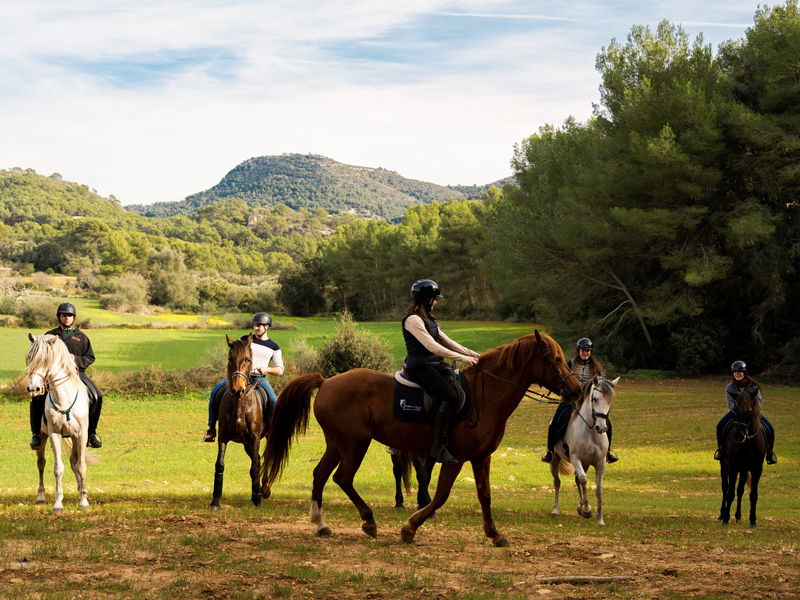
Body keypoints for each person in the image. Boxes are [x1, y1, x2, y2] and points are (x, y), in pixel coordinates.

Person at [402, 279, 480, 464]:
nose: (436, 302)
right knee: (451, 396)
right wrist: (464, 359)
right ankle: (438, 447)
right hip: (419, 366)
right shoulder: (413, 320)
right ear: (427, 299)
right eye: (435, 299)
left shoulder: (430, 321)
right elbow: (433, 347)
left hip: (434, 365)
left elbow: (449, 343)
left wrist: (478, 356)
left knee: (460, 388)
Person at [30, 302, 104, 449]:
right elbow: (42, 355)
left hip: (77, 374)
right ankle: (36, 434)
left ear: (73, 318)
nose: (67, 318)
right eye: (64, 315)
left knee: (97, 396)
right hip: (53, 377)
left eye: (70, 316)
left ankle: (91, 434)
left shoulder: (81, 337)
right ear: (59, 317)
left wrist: (74, 359)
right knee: (37, 398)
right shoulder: (50, 336)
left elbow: (90, 357)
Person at [204, 312, 284, 442]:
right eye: (255, 325)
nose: (256, 328)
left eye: (259, 325)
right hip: (238, 376)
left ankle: (271, 429)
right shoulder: (245, 339)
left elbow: (280, 370)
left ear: (267, 327)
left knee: (274, 401)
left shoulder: (274, 347)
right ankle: (211, 428)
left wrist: (266, 369)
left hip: (259, 379)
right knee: (214, 392)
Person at [540, 337, 618, 464]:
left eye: (587, 351)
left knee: (607, 423)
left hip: (590, 402)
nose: (585, 353)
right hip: (572, 399)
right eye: (582, 351)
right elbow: (563, 380)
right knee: (555, 421)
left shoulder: (596, 368)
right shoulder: (570, 364)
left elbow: (601, 386)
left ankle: (608, 452)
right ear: (579, 351)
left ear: (590, 352)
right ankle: (550, 451)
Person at [714, 360, 777, 465]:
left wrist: (751, 411)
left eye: (740, 371)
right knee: (720, 425)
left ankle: (770, 453)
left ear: (744, 373)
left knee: (770, 428)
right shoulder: (729, 387)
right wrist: (740, 410)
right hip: (737, 414)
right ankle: (720, 450)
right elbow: (730, 403)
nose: (737, 374)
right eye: (735, 372)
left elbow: (759, 402)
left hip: (752, 414)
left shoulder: (753, 386)